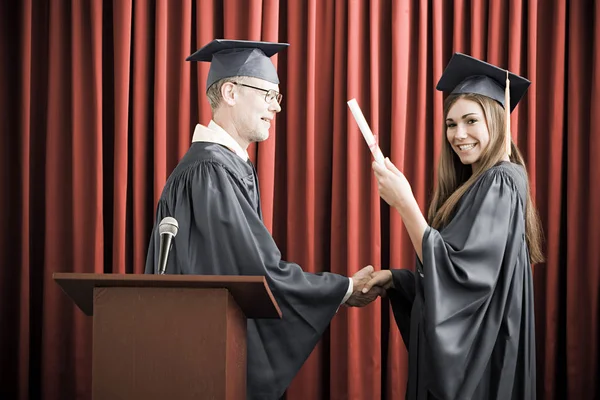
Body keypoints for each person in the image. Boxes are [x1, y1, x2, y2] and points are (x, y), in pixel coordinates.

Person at [144, 39, 381, 400]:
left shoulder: (226, 167)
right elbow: (259, 273)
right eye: (269, 95)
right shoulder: (210, 171)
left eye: (278, 98)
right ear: (230, 91)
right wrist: (344, 288)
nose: (276, 108)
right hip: (204, 361)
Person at [362, 53, 544, 399]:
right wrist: (399, 281)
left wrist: (405, 203)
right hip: (479, 351)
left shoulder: (501, 181)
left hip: (485, 361)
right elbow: (463, 283)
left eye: (471, 120)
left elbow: (461, 278)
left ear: (497, 120)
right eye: (450, 123)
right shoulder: (477, 183)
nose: (458, 134)